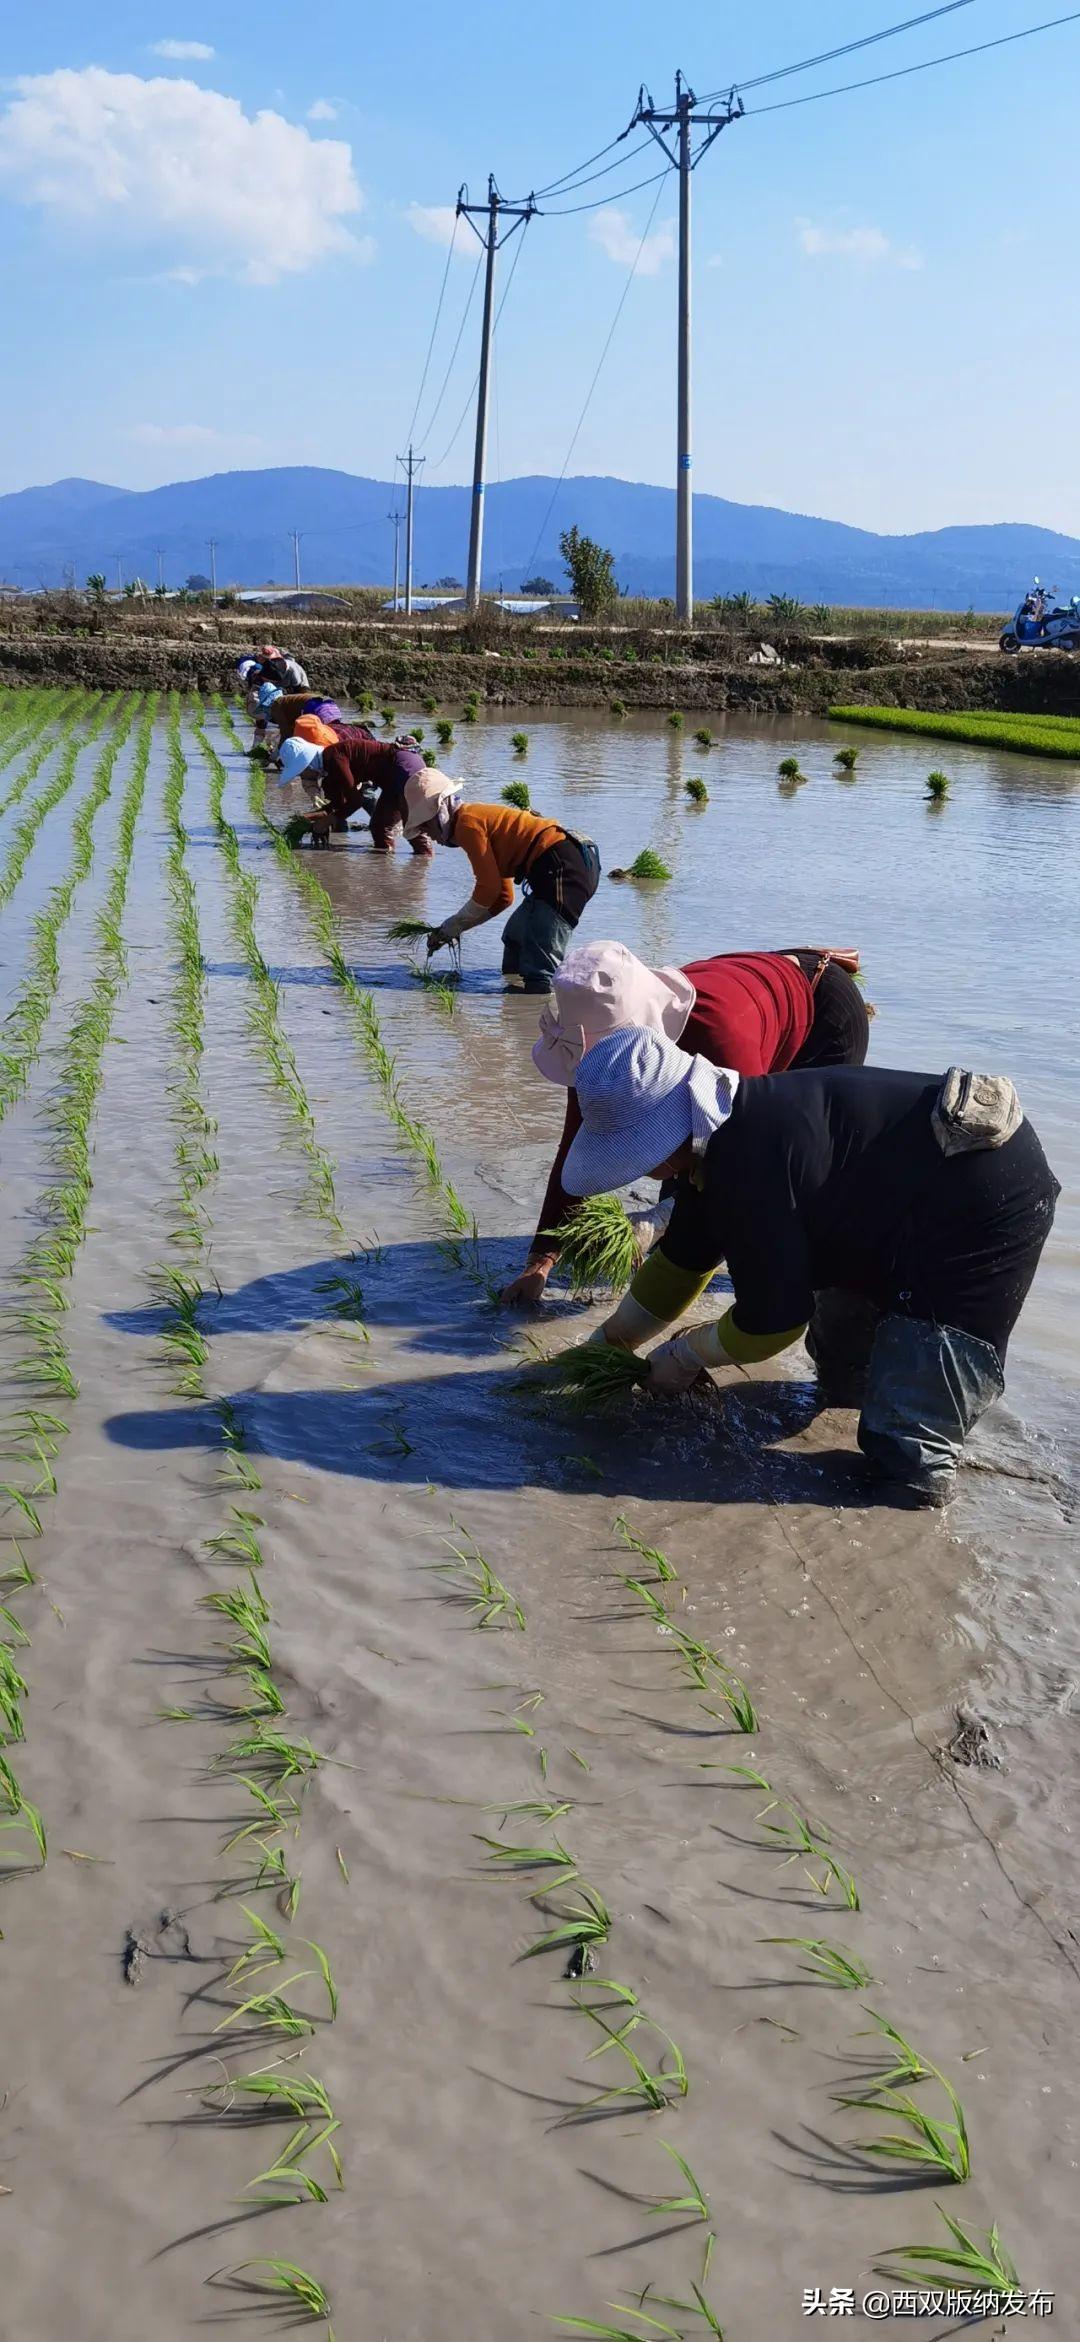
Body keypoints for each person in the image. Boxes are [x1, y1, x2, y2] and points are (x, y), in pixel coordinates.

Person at [563, 1027, 1058, 1509]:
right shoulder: (714, 1145)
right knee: (843, 1375)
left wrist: (684, 1356)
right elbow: (681, 1263)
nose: (642, 1169)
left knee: (907, 1458)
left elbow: (772, 1323)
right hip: (894, 1212)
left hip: (986, 1201)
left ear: (672, 1127)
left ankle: (917, 1494)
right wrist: (610, 1341)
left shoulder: (748, 1162)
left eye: (639, 1151)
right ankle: (883, 1383)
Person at [502, 939, 870, 1304]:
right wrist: (541, 1260)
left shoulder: (719, 1039)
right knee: (686, 1180)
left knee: (777, 1183)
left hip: (820, 1016)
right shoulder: (598, 1058)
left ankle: (802, 1291)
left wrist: (656, 1222)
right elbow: (576, 1144)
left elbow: (750, 1159)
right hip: (748, 981)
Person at [400, 769, 601, 993]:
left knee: (539, 965)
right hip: (565, 862)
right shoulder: (476, 821)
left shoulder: (467, 823)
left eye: (426, 826)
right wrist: (458, 928)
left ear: (440, 812)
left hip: (564, 867)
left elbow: (488, 888)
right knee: (515, 937)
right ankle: (512, 1011)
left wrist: (452, 925)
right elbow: (502, 897)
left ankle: (539, 1011)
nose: (429, 836)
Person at [276, 733, 435, 855]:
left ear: (309, 764)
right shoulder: (329, 776)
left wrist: (325, 821)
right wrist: (308, 819)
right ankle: (386, 871)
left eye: (301, 771)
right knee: (379, 827)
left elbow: (355, 801)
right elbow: (337, 806)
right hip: (391, 779)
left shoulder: (335, 758)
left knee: (412, 826)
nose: (302, 776)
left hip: (404, 767)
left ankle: (422, 867)